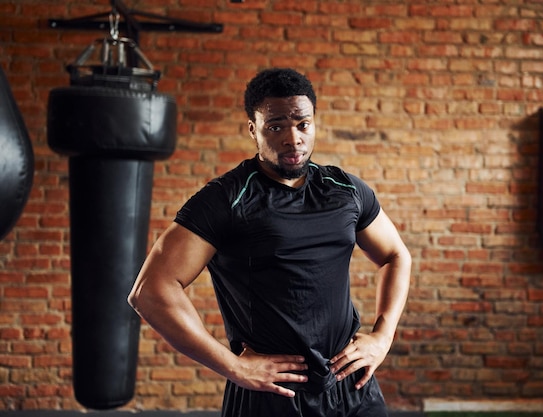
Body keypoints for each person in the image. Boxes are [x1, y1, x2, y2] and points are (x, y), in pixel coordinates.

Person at [128, 68, 412, 417]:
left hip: (352, 387)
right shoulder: (226, 199)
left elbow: (396, 255)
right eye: (275, 126)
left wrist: (382, 337)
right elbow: (151, 291)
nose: (292, 139)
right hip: (272, 394)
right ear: (253, 130)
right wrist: (233, 366)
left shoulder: (345, 190)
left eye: (302, 124)